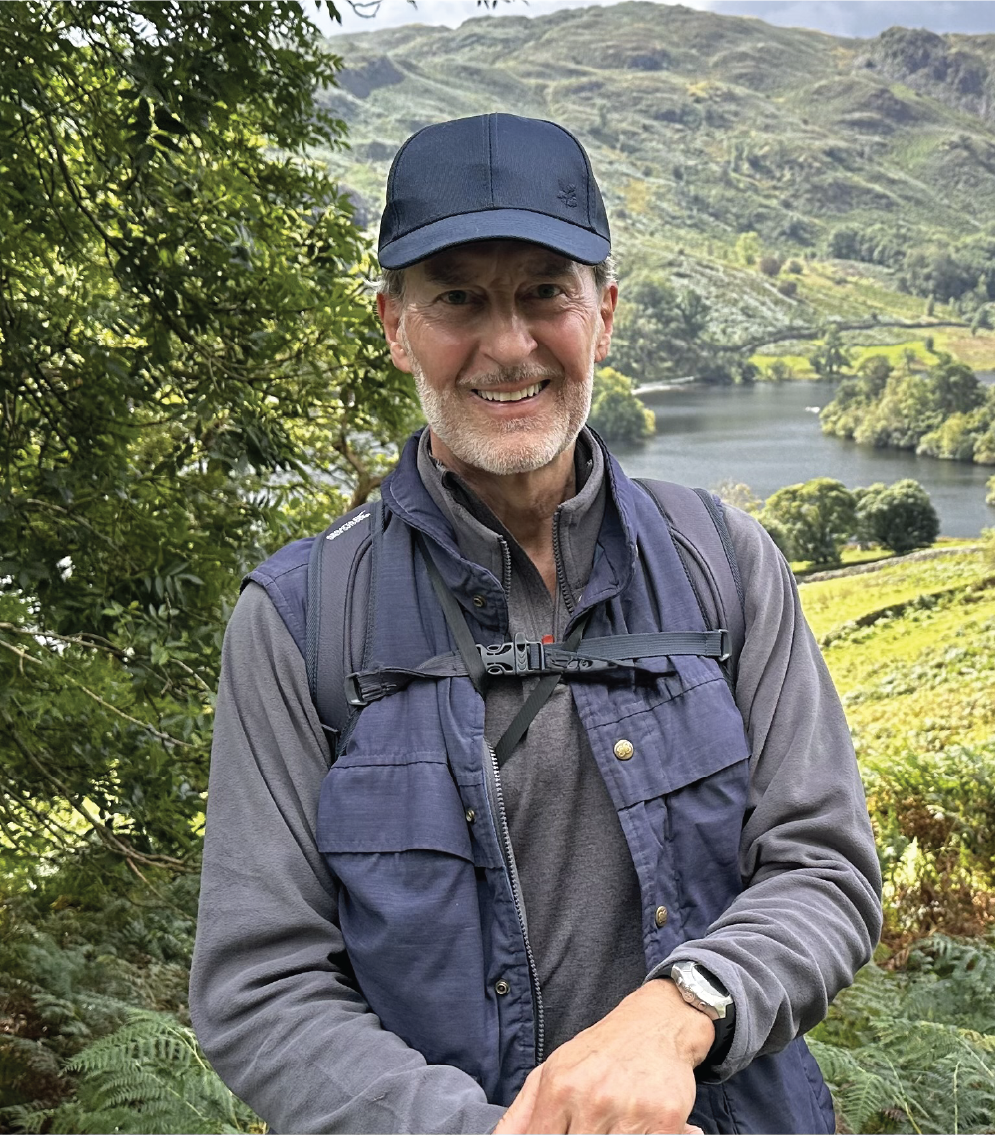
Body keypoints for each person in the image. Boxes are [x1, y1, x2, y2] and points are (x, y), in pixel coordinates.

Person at [189, 112, 882, 1135]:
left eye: (544, 293)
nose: (508, 346)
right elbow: (261, 984)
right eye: (458, 298)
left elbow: (822, 867)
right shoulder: (300, 622)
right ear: (395, 326)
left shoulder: (726, 563)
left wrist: (682, 1007)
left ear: (601, 315)